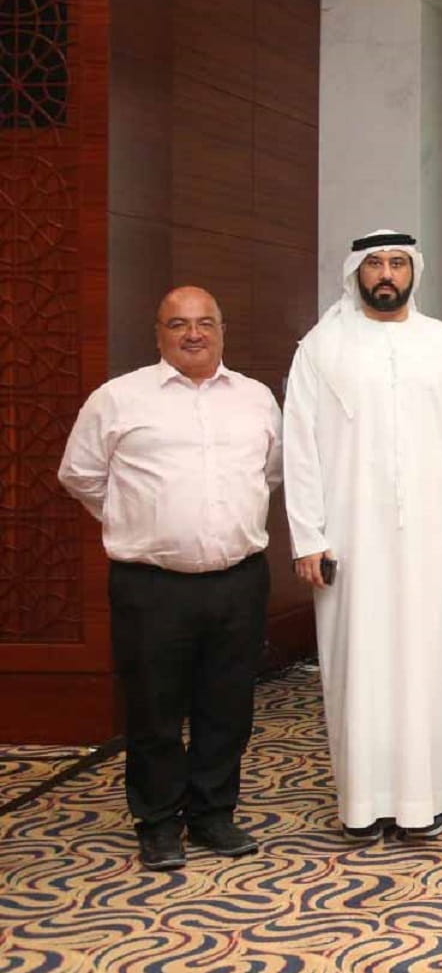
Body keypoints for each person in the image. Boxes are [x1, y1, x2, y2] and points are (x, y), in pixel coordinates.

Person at [283, 230, 442, 839]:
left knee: (433, 665)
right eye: (375, 263)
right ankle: (362, 803)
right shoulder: (321, 347)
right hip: (351, 541)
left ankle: (431, 799)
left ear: (412, 272)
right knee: (359, 668)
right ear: (357, 272)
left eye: (397, 263)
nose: (386, 273)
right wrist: (308, 537)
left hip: (436, 538)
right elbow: (299, 445)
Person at [58, 287, 281, 870]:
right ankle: (157, 822)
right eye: (178, 324)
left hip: (238, 581)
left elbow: (270, 474)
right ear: (157, 333)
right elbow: (80, 475)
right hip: (150, 586)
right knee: (153, 709)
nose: (193, 334)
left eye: (205, 323)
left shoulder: (256, 399)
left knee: (227, 707)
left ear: (223, 330)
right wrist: (139, 520)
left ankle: (212, 814)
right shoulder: (117, 398)